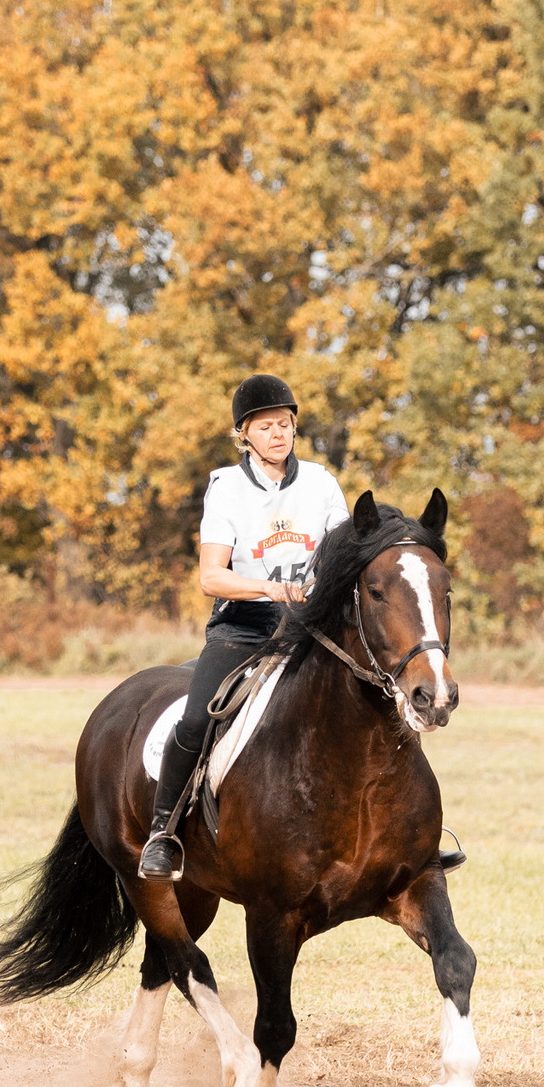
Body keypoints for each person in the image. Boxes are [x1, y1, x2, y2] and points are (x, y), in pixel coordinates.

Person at [139, 374, 349, 880]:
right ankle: (162, 834)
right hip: (245, 628)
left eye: (286, 425)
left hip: (311, 626)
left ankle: (412, 833)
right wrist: (271, 589)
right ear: (244, 435)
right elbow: (211, 577)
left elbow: (343, 554)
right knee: (195, 720)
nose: (279, 434)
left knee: (380, 697)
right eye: (266, 426)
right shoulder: (226, 487)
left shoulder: (321, 481)